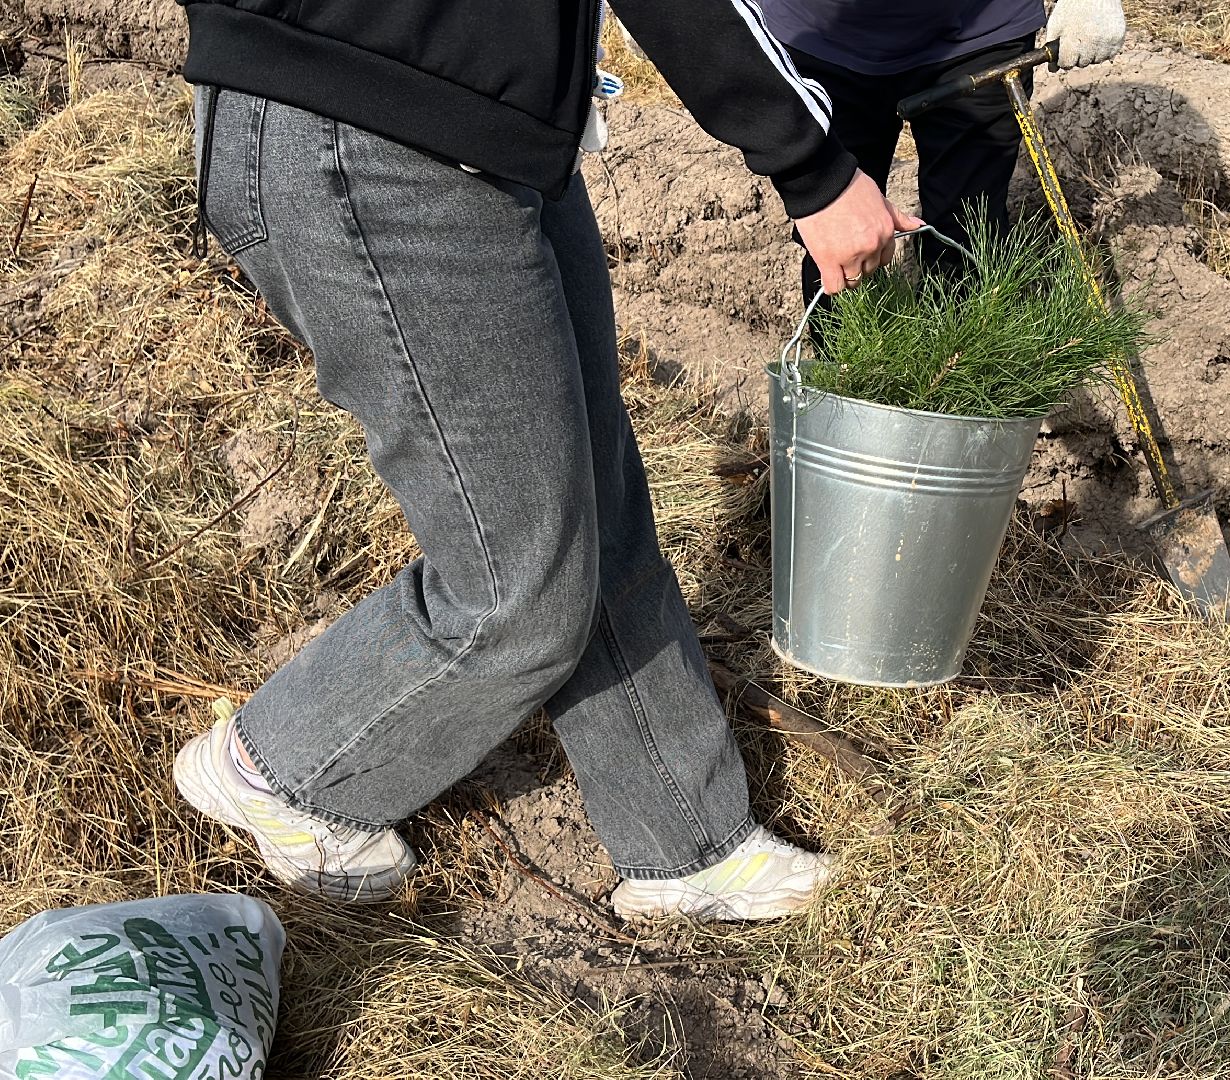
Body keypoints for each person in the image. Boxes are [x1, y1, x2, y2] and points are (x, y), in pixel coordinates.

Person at [168, 0, 920, 918]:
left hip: (481, 127)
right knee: (518, 588)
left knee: (592, 505)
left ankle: (683, 840)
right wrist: (810, 163)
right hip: (366, 129)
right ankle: (277, 766)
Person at [750, 0, 1128, 298]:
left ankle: (961, 377)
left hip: (981, 33)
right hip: (820, 37)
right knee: (840, 248)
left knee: (969, 236)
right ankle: (843, 387)